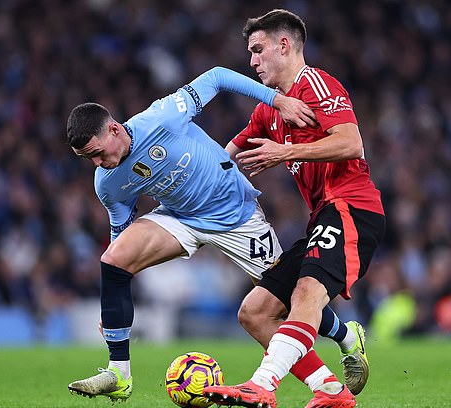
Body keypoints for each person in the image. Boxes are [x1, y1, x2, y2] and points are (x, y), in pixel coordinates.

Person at [64, 66, 353, 402]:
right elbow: (120, 230)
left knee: (286, 299)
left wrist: (277, 101)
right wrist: (115, 296)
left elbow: (216, 77)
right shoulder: (107, 182)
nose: (97, 163)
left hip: (236, 216)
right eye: (88, 158)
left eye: (98, 153)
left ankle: (346, 336)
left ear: (114, 129)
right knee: (113, 260)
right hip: (181, 218)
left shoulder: (162, 117)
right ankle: (119, 374)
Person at [204, 10, 386, 408]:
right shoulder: (267, 110)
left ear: (284, 45)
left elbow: (351, 143)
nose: (252, 61)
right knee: (256, 312)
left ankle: (262, 385)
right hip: (322, 216)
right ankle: (331, 392)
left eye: (258, 50)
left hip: (353, 207)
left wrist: (285, 152)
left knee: (306, 294)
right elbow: (223, 157)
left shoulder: (317, 84)